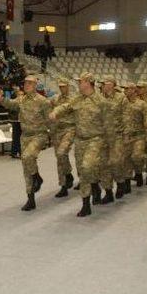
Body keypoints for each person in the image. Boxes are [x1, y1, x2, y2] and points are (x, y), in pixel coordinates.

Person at [50, 72, 107, 217]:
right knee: (82, 171)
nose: (78, 84)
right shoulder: (77, 99)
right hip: (80, 140)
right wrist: (55, 112)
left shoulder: (101, 101)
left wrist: (110, 144)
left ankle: (94, 187)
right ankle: (86, 202)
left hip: (96, 139)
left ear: (88, 82)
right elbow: (65, 107)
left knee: (87, 166)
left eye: (80, 81)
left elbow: (109, 124)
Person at [0, 75, 51, 211]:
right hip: (24, 136)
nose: (26, 85)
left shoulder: (43, 101)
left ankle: (37, 177)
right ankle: (30, 199)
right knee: (26, 168)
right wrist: (2, 100)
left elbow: (50, 119)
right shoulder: (22, 99)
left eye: (30, 83)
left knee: (27, 157)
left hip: (39, 135)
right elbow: (11, 104)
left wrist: (53, 136)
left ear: (35, 85)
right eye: (25, 83)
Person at [100, 75, 131, 202]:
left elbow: (126, 116)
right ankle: (108, 191)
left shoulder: (121, 98)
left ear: (113, 85)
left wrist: (126, 134)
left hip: (117, 135)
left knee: (116, 162)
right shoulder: (99, 98)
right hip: (102, 136)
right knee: (104, 164)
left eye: (107, 83)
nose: (104, 85)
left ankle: (120, 182)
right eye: (103, 83)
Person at [49, 77, 75, 198]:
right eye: (60, 86)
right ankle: (64, 184)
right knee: (60, 158)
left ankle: (68, 175)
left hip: (69, 129)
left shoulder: (74, 99)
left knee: (61, 152)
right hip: (57, 131)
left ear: (68, 86)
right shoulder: (55, 99)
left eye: (64, 86)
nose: (62, 88)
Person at [124, 83, 147, 188]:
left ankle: (138, 173)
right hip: (126, 136)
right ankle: (127, 182)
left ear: (133, 90)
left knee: (137, 156)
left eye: (127, 89)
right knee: (126, 159)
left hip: (139, 135)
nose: (125, 91)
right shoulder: (122, 104)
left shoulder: (142, 104)